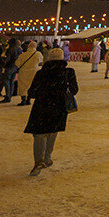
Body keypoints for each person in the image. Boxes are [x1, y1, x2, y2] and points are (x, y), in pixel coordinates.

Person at [24, 46, 78, 176]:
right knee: (53, 132)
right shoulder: (68, 72)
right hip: (59, 106)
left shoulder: (41, 73)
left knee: (40, 134)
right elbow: (74, 90)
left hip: (41, 106)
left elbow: (32, 92)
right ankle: (47, 158)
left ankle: (38, 161)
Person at [15, 40, 42, 106]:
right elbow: (40, 62)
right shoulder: (38, 54)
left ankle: (23, 100)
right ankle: (28, 100)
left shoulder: (23, 55)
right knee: (30, 86)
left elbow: (17, 64)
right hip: (33, 72)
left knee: (23, 86)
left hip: (23, 72)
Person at [1, 39, 21, 103]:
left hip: (9, 66)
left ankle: (7, 96)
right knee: (12, 81)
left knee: (6, 81)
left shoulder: (10, 49)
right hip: (16, 66)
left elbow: (8, 59)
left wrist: (4, 63)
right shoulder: (19, 49)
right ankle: (10, 95)